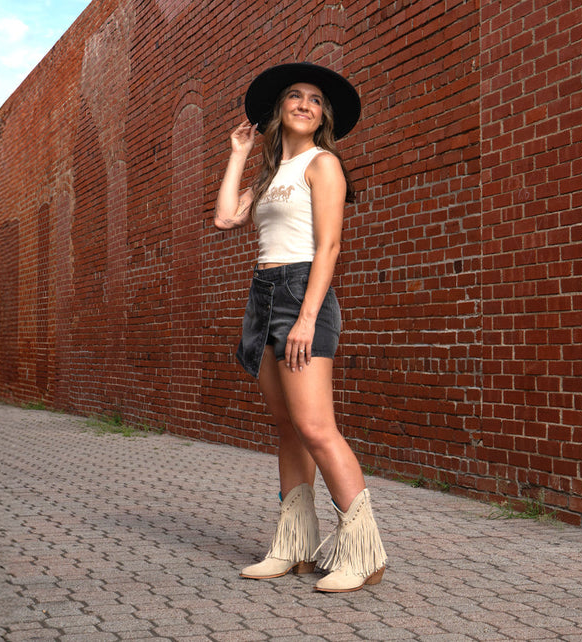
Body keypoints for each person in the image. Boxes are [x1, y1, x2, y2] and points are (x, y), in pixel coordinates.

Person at [212, 62, 386, 593]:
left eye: (315, 99)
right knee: (287, 427)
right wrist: (239, 154)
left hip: (301, 293)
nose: (306, 104)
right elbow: (225, 218)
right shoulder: (269, 176)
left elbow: (329, 246)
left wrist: (307, 317)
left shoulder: (323, 164)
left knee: (315, 427)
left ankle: (363, 553)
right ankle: (294, 547)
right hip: (262, 296)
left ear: (323, 116)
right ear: (280, 110)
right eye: (296, 96)